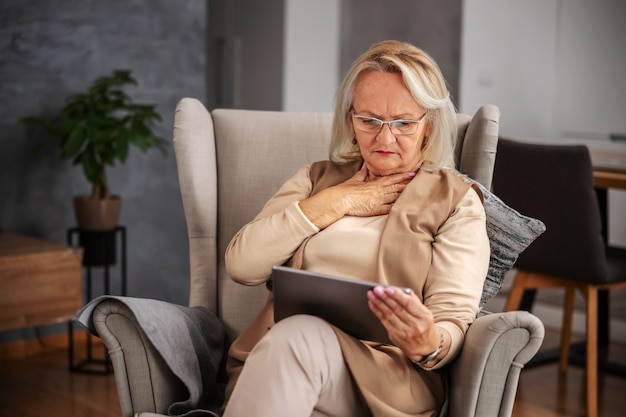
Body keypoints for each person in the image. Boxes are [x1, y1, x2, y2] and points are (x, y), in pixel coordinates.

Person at [221, 40, 490, 417]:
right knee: (296, 344)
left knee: (298, 336)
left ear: (427, 126)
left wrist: (428, 341)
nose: (384, 138)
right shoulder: (317, 179)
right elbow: (242, 265)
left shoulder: (455, 201)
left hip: (385, 380)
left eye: (403, 123)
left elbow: (453, 319)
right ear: (351, 119)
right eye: (370, 121)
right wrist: (338, 201)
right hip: (283, 364)